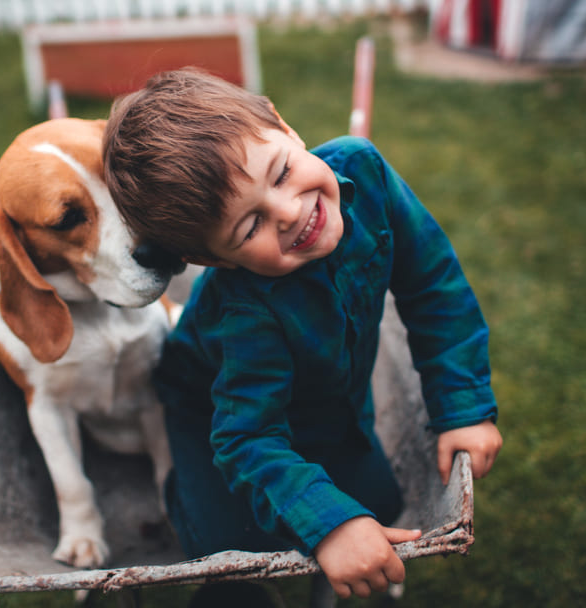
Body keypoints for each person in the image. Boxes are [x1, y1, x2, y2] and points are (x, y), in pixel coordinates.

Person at [102, 68, 502, 600]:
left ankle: (324, 550)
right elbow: (248, 436)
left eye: (282, 171)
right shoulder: (247, 312)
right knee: (231, 553)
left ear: (285, 127)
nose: (292, 212)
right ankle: (186, 497)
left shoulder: (366, 174)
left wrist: (464, 406)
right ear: (211, 260)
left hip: (327, 391)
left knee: (379, 503)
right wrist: (333, 526)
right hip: (214, 410)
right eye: (250, 227)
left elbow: (434, 285)